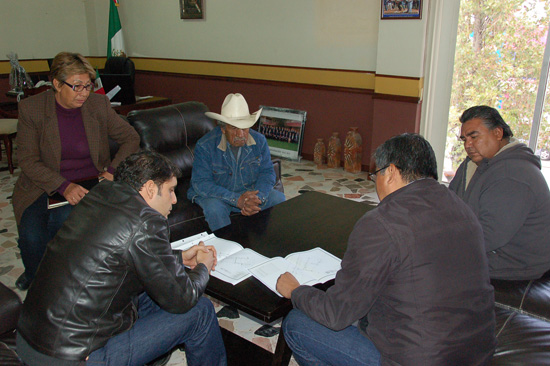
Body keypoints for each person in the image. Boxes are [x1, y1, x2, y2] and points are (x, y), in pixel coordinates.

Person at [277, 133, 496, 366]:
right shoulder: (463, 209)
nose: (375, 183)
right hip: (477, 352)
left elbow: (336, 315)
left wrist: (296, 291)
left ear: (390, 172)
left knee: (296, 324)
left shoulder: (381, 222)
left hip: (418, 359)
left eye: (376, 175)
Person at [16, 150, 227, 366]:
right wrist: (203, 266)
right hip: (70, 357)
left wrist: (179, 257)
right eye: (171, 190)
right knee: (200, 311)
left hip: (31, 337)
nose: (174, 199)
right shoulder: (145, 221)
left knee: (150, 291)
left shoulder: (100, 195)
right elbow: (183, 298)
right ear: (150, 188)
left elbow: (116, 256)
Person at [13, 51, 140, 290]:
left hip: (88, 184)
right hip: (42, 184)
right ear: (57, 84)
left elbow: (131, 138)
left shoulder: (97, 104)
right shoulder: (32, 109)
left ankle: (56, 282)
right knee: (31, 236)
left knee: (62, 224)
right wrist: (63, 186)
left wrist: (112, 170)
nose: (84, 93)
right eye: (77, 86)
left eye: (88, 86)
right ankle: (36, 276)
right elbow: (27, 160)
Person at [449, 105, 550, 280]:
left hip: (515, 264)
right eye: (464, 139)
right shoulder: (473, 163)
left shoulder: (513, 175)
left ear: (497, 133)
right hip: (487, 251)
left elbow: (487, 237)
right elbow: (449, 202)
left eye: (474, 137)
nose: (468, 145)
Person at [187, 93, 286, 231]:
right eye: (234, 128)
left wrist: (258, 198)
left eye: (244, 128)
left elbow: (267, 172)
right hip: (219, 196)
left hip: (250, 192)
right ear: (222, 128)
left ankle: (268, 241)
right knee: (214, 209)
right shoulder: (205, 146)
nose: (241, 134)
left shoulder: (259, 141)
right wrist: (236, 199)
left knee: (278, 198)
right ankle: (228, 249)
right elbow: (201, 183)